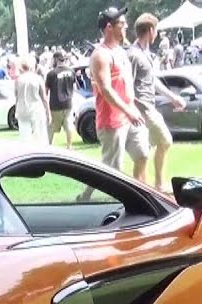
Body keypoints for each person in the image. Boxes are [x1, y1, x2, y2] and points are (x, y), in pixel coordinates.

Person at [127, 13, 187, 191]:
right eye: (157, 30)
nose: (157, 34)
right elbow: (127, 84)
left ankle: (153, 186)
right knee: (155, 145)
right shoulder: (133, 55)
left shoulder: (146, 54)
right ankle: (147, 188)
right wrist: (132, 108)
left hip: (149, 107)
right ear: (151, 30)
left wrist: (172, 97)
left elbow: (152, 80)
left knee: (154, 146)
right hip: (141, 109)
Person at [88, 7, 142, 174]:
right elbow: (106, 89)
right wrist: (128, 111)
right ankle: (87, 198)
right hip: (112, 121)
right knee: (112, 170)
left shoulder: (120, 51)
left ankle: (140, 196)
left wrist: (132, 108)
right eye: (122, 23)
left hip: (128, 116)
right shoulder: (101, 55)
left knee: (143, 154)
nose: (126, 26)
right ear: (109, 27)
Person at [45, 50, 77, 149]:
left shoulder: (51, 73)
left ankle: (49, 146)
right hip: (68, 103)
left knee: (52, 126)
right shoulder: (71, 71)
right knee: (68, 124)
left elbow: (46, 90)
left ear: (56, 59)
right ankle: (69, 146)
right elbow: (75, 87)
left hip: (55, 104)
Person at [14, 56, 48, 144]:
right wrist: (48, 112)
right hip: (36, 108)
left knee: (24, 137)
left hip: (22, 109)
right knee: (40, 136)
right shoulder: (38, 78)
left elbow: (16, 96)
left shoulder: (18, 80)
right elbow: (44, 98)